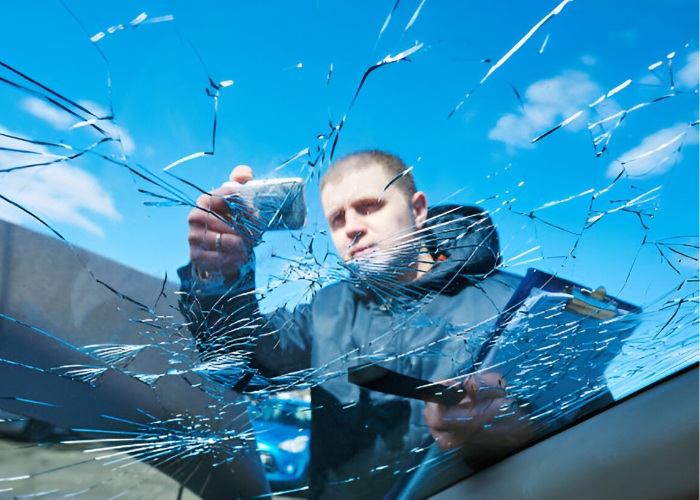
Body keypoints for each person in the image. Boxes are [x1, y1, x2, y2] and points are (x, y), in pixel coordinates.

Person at [179, 150, 532, 498]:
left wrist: (521, 432)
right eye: (336, 219)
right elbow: (244, 360)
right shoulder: (329, 306)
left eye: (368, 206)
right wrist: (219, 277)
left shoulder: (513, 303)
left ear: (417, 209)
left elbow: (574, 427)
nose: (351, 228)